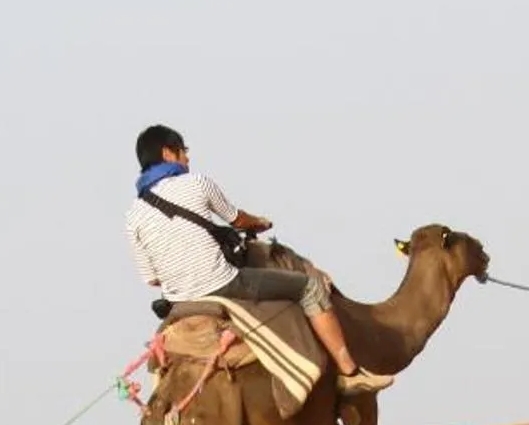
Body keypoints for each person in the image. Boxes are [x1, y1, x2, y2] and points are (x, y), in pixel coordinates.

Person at [125, 126, 394, 393]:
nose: (187, 158)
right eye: (183, 151)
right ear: (168, 153)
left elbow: (152, 278)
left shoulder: (133, 214)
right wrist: (261, 222)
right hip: (223, 284)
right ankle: (350, 372)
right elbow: (237, 219)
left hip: (178, 302)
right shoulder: (196, 183)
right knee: (310, 287)